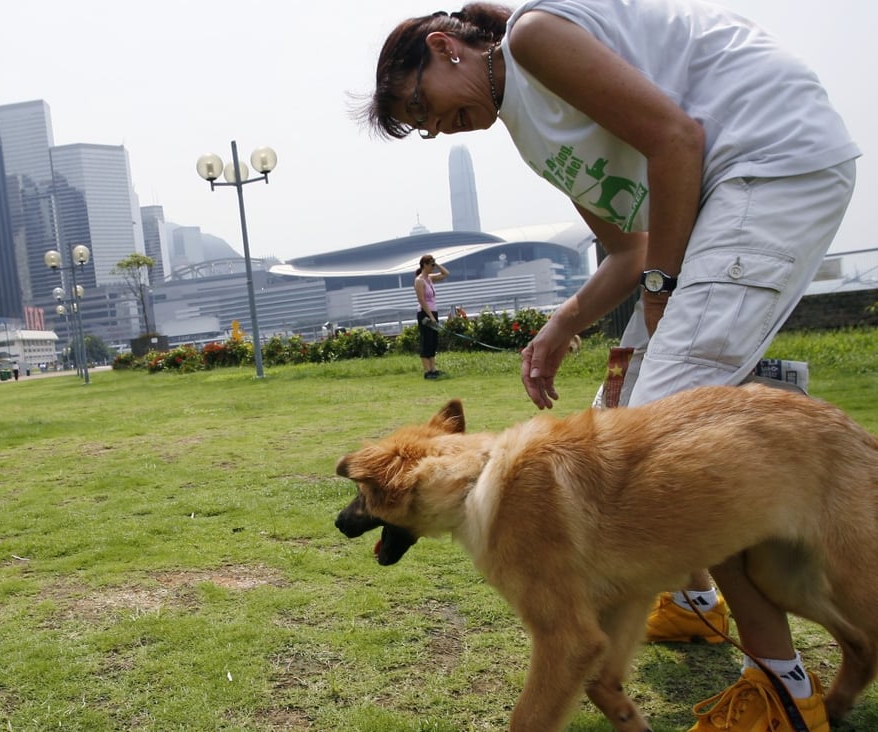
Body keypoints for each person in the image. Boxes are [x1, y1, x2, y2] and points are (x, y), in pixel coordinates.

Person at [362, 1, 858, 729]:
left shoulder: (532, 37)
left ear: (445, 48)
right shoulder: (531, 133)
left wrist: (665, 287)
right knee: (615, 417)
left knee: (652, 449)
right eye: (421, 127)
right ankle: (691, 601)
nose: (435, 127)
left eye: (420, 105)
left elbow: (676, 138)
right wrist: (559, 329)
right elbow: (629, 247)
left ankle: (783, 691)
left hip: (768, 163)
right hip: (728, 187)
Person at [414, 254, 449, 379]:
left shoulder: (429, 278)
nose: (433, 268)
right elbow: (421, 300)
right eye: (431, 265)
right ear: (424, 265)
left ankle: (434, 369)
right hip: (425, 313)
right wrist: (430, 316)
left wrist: (437, 263)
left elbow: (445, 274)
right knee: (426, 341)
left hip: (433, 311)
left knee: (434, 340)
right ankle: (427, 371)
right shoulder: (419, 280)